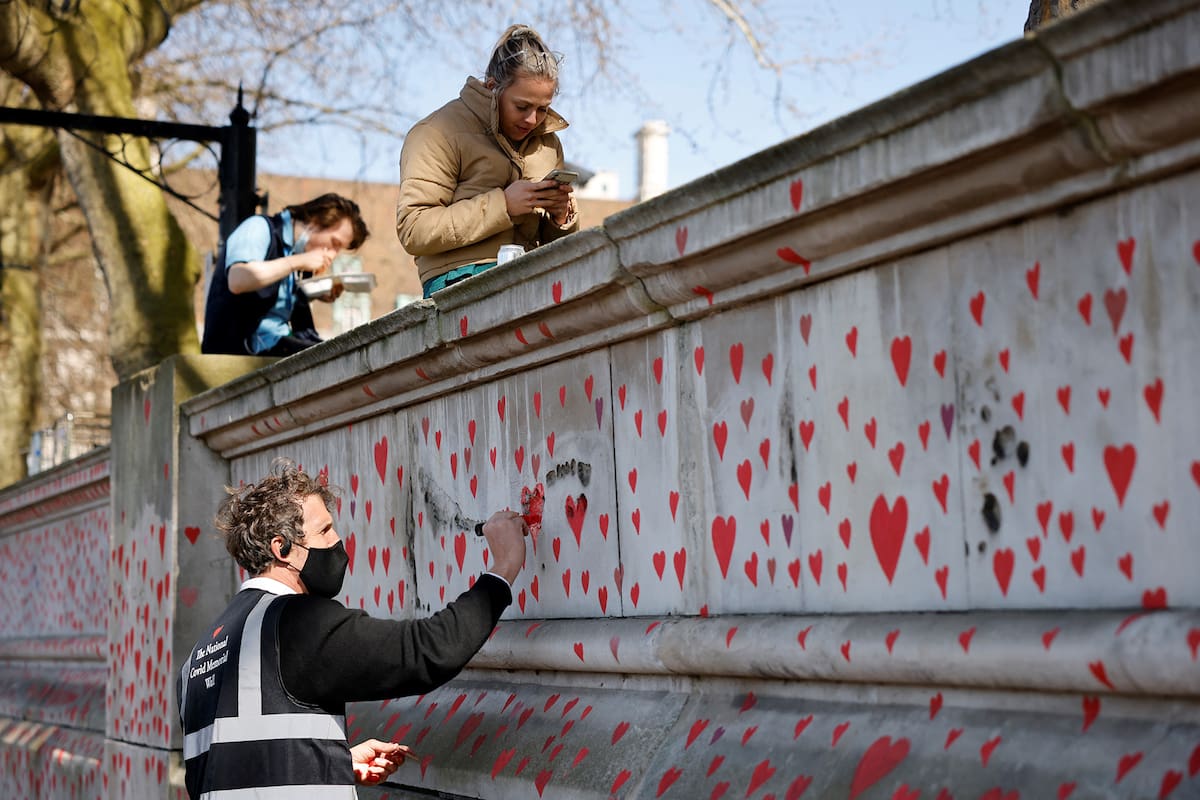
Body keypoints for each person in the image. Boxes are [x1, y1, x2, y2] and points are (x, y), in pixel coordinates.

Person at [177, 459, 530, 799]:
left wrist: (331, 764)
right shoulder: (296, 624)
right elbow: (428, 650)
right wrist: (504, 567)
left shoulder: (198, 659)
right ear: (282, 548)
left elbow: (233, 770)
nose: (338, 542)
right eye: (325, 530)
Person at [396, 24, 579, 298]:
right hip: (457, 282)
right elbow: (414, 229)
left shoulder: (548, 144)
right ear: (493, 87)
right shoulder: (435, 132)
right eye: (522, 106)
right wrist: (503, 205)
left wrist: (561, 217)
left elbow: (558, 245)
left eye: (543, 109)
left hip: (531, 280)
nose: (532, 119)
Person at [202, 193, 370, 356]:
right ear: (315, 221)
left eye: (338, 250)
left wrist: (316, 293)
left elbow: (275, 294)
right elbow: (238, 279)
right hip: (242, 350)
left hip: (276, 345)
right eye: (334, 243)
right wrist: (297, 261)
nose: (332, 255)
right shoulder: (257, 227)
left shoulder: (294, 253)